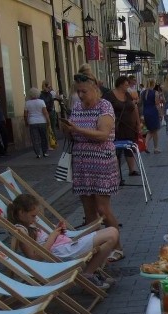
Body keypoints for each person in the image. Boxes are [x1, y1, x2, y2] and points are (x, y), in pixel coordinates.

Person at [61, 72, 124, 261]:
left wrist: (77, 129)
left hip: (101, 162)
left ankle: (117, 247)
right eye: (78, 92)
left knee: (103, 209)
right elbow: (72, 135)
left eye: (84, 91)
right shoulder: (77, 107)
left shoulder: (104, 106)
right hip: (81, 163)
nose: (81, 95)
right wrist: (68, 130)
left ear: (95, 89)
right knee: (88, 211)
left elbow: (103, 134)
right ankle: (93, 250)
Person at [8, 193, 118, 289]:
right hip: (61, 253)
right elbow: (35, 257)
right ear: (22, 212)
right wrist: (53, 236)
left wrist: (58, 231)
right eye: (33, 215)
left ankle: (91, 270)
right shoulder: (21, 229)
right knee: (111, 235)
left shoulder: (29, 224)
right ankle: (88, 273)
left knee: (112, 231)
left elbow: (44, 239)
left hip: (66, 247)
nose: (35, 219)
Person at [104, 76, 141, 179]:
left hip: (129, 126)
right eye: (126, 84)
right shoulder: (109, 95)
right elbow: (104, 110)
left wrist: (138, 124)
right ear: (120, 84)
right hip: (116, 127)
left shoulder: (127, 95)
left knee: (130, 147)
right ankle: (117, 174)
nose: (128, 86)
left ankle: (132, 170)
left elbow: (134, 108)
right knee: (116, 150)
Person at [24, 87, 50, 159]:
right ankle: (45, 152)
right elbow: (45, 112)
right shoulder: (41, 101)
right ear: (38, 94)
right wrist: (48, 121)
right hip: (42, 121)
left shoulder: (27, 103)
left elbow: (25, 115)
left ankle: (38, 153)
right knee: (44, 137)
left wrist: (26, 122)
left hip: (32, 122)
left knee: (35, 139)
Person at [140, 82, 162, 154]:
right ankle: (154, 148)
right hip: (153, 112)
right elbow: (157, 104)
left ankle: (147, 145)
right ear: (153, 85)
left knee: (151, 130)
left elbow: (140, 103)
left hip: (146, 112)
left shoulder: (142, 93)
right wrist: (160, 113)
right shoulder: (155, 93)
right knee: (154, 131)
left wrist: (141, 114)